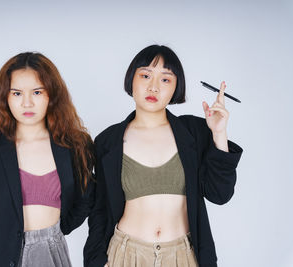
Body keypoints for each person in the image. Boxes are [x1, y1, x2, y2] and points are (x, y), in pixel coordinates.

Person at [84, 45, 243, 267]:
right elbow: (100, 211)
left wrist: (218, 133)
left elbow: (220, 194)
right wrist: (96, 262)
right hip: (126, 255)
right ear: (132, 79)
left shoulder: (194, 132)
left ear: (177, 87)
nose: (153, 87)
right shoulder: (108, 141)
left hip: (183, 256)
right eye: (146, 75)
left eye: (165, 79)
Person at [0, 52, 94, 267]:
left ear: (51, 95)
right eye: (16, 93)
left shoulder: (75, 144)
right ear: (5, 97)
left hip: (51, 256)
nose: (27, 103)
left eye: (36, 92)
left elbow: (85, 198)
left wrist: (52, 233)